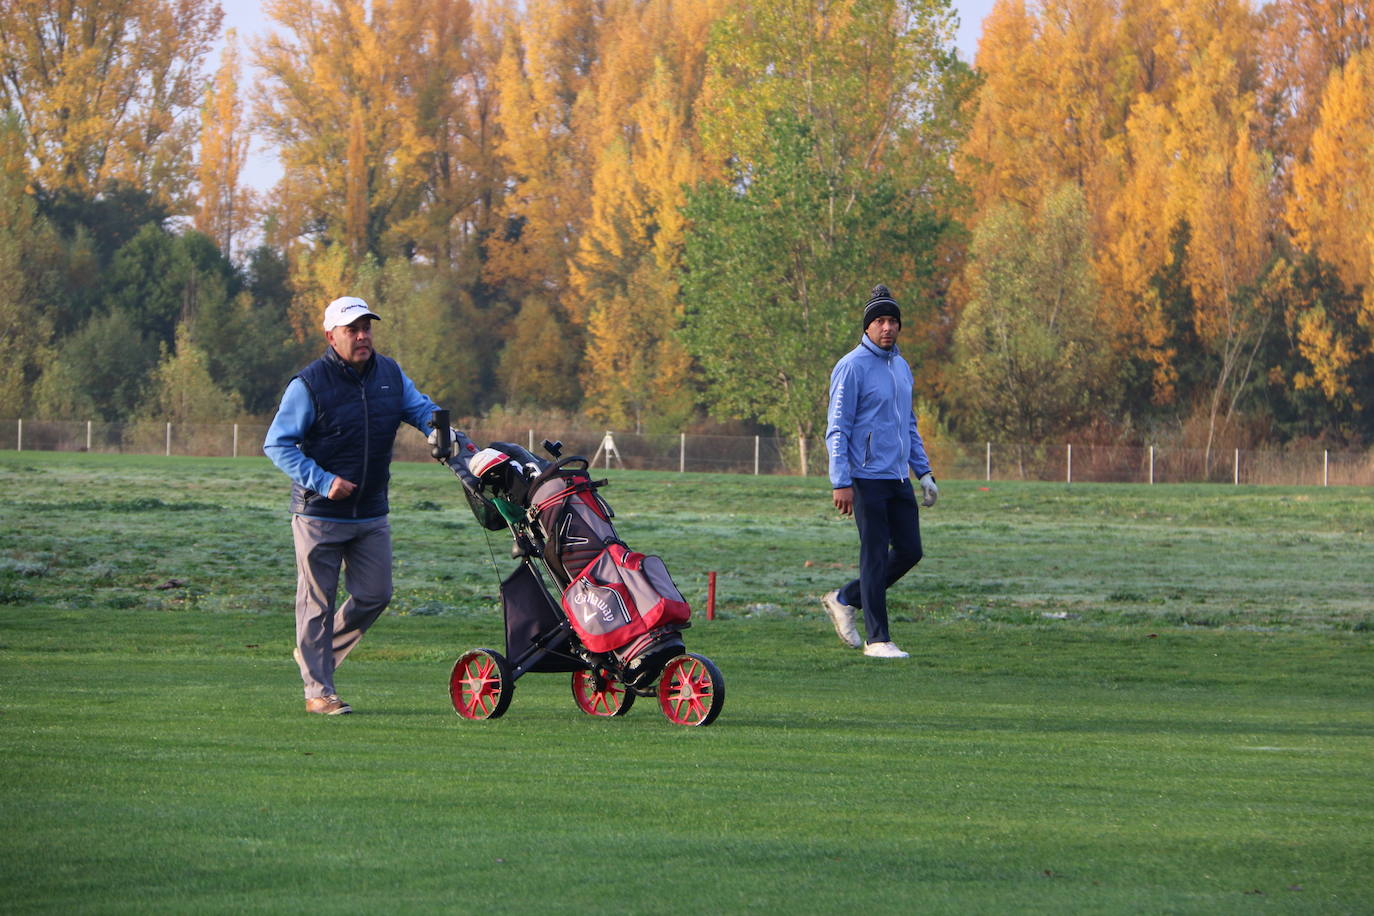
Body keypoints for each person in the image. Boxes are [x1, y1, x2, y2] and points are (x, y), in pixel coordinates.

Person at [264, 295, 474, 714]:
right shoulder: (308, 384)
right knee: (316, 603)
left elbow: (423, 411)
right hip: (318, 512)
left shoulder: (390, 374)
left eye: (367, 328)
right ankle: (318, 691)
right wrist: (323, 482)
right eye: (352, 330)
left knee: (375, 594)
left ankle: (313, 656)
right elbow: (277, 444)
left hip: (371, 512)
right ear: (331, 336)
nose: (362, 336)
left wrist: (456, 440)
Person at [821, 284, 938, 659]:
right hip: (865, 477)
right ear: (868, 327)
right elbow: (837, 428)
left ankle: (845, 598)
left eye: (892, 321)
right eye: (880, 321)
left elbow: (909, 424)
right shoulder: (851, 366)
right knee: (873, 554)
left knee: (909, 551)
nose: (887, 327)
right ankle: (878, 640)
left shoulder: (901, 368)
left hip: (898, 477)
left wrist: (924, 472)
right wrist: (841, 480)